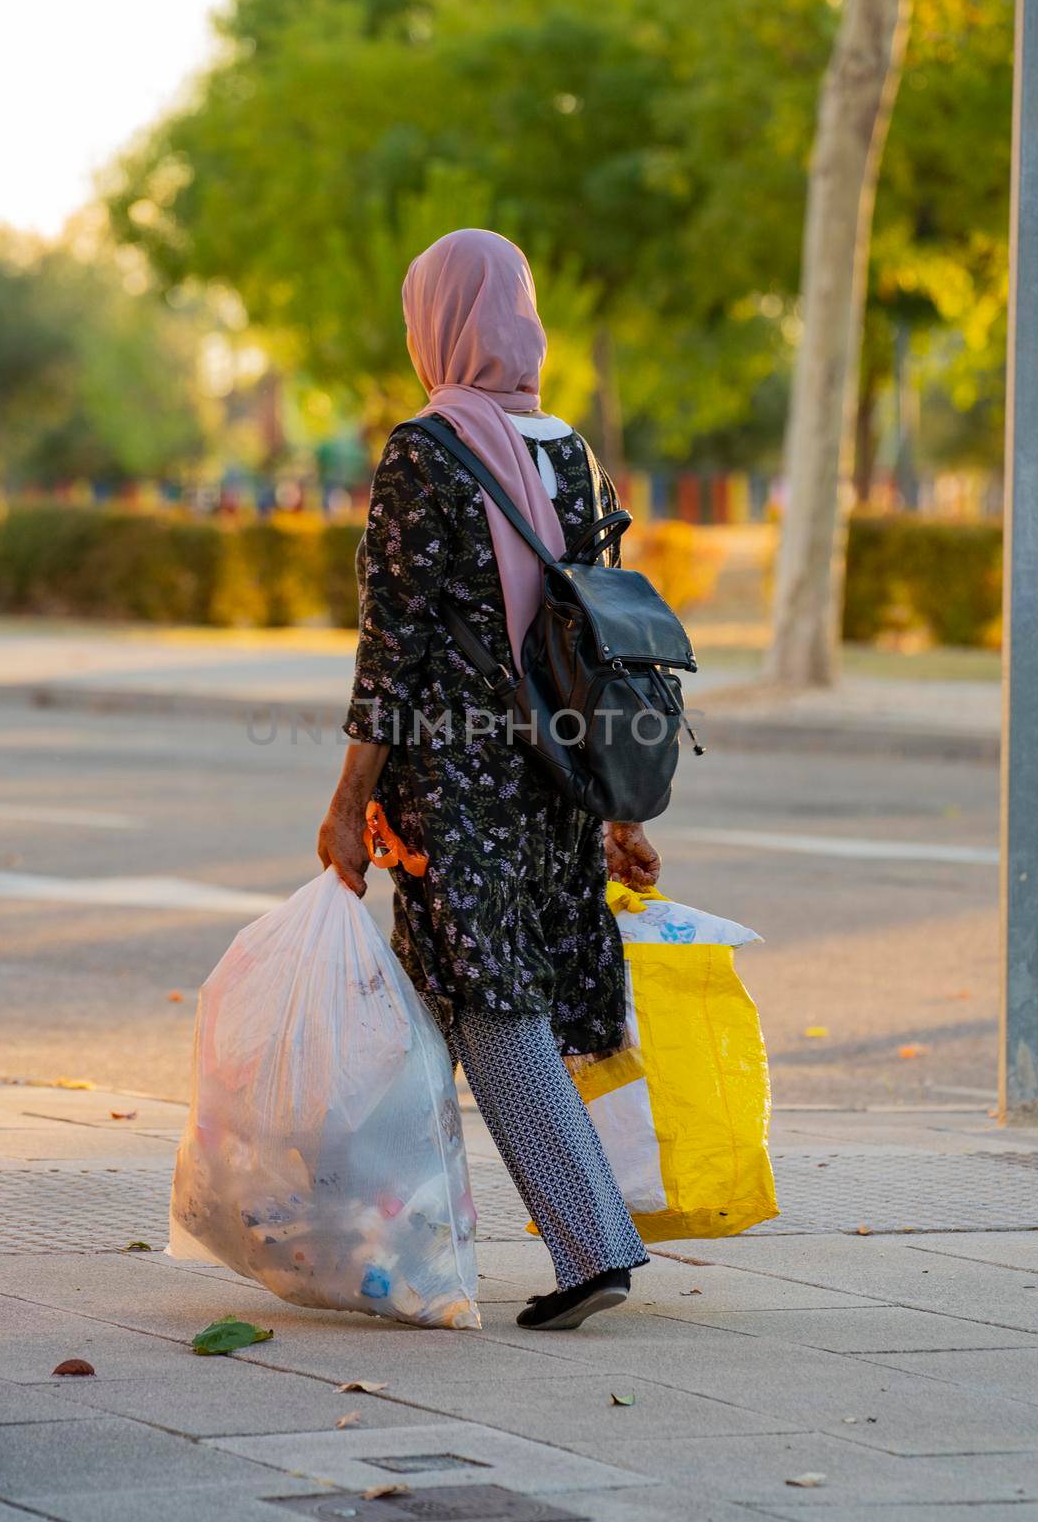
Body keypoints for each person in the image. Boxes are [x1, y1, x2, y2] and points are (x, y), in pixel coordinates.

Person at [317, 227, 662, 1331]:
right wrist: (611, 808)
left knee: (486, 1001)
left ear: (437, 322)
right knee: (426, 1003)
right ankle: (377, 1238)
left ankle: (590, 1240)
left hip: (454, 779)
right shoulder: (573, 453)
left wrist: (344, 797)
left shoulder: (424, 452)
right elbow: (602, 645)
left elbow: (395, 644)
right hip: (556, 767)